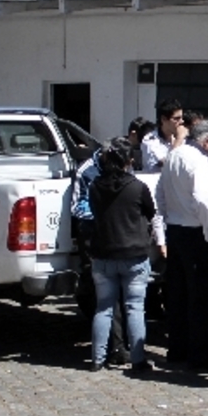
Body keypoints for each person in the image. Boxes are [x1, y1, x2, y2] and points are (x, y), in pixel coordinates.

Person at [156, 120, 208, 370]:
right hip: (196, 233)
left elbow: (160, 193)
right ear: (206, 141)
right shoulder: (197, 161)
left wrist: (167, 218)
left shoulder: (174, 156)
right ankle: (199, 354)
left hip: (176, 230)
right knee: (201, 297)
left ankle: (177, 348)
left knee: (178, 294)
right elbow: (205, 200)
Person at [88, 137, 156, 372]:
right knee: (135, 307)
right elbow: (151, 212)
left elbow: (94, 212)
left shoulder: (95, 185)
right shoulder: (137, 187)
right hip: (134, 253)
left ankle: (97, 359)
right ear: (129, 161)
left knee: (103, 307)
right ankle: (138, 359)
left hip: (103, 253)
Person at [71, 147, 130, 365]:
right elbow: (77, 207)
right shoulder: (87, 173)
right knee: (107, 298)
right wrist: (104, 215)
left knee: (117, 298)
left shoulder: (126, 175)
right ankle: (111, 349)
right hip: (96, 235)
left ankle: (113, 349)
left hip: (117, 236)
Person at [141, 98, 184, 173]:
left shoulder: (181, 138)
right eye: (176, 119)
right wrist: (179, 139)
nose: (181, 122)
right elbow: (167, 164)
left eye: (181, 118)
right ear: (163, 119)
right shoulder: (150, 140)